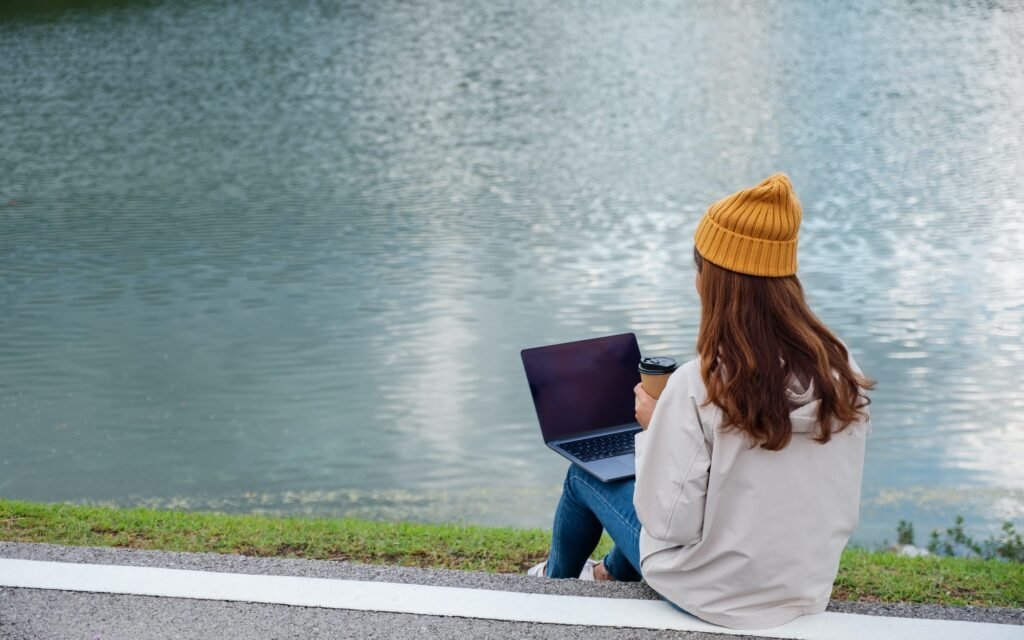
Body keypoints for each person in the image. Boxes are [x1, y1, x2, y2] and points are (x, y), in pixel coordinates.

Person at [527, 173, 875, 630]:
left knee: (583, 478)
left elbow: (668, 524)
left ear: (713, 281)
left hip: (714, 593)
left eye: (697, 268)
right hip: (804, 586)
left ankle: (551, 585)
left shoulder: (703, 384)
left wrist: (657, 429)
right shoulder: (839, 370)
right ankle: (607, 573)